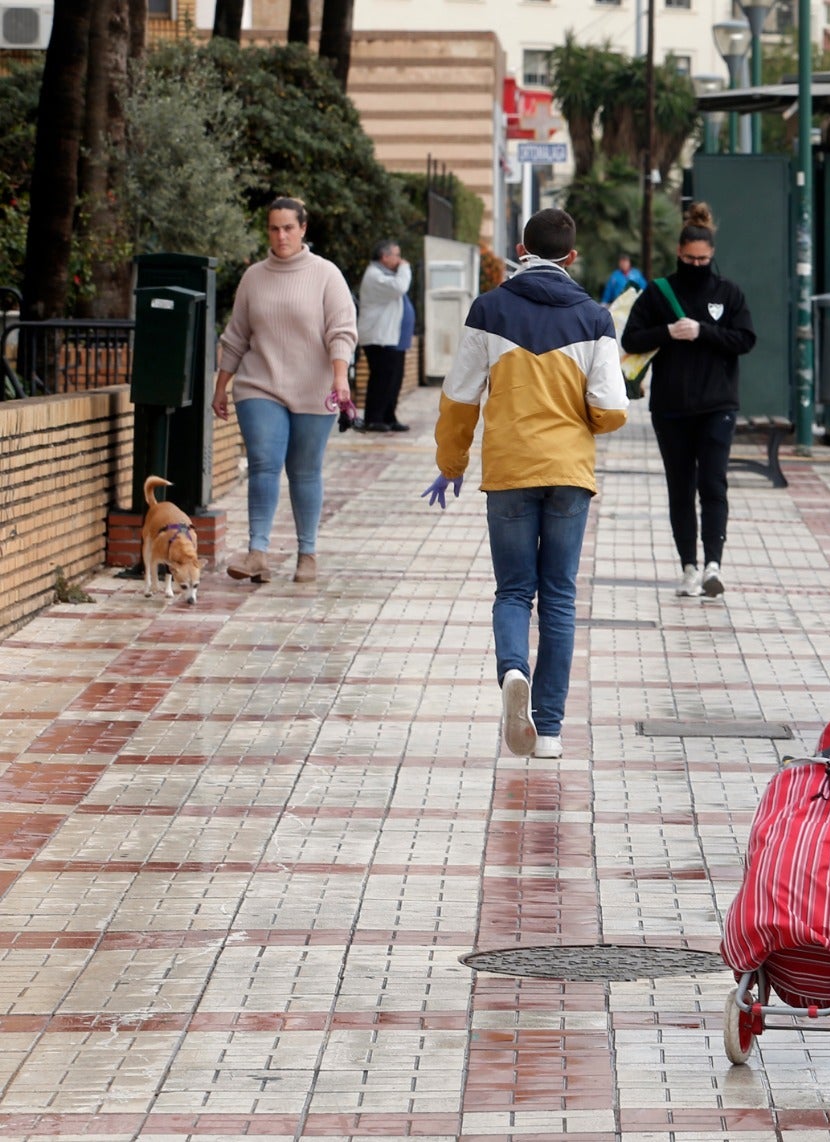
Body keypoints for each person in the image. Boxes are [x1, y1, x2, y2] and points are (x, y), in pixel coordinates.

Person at [425, 208, 628, 760]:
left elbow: (460, 396)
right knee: (559, 597)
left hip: (510, 472)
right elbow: (610, 410)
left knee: (515, 590)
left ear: (521, 249)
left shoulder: (488, 309)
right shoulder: (595, 317)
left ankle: (513, 669)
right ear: (572, 257)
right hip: (569, 474)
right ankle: (551, 729)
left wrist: (452, 462)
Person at [212, 196, 358, 586]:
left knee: (304, 471)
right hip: (261, 384)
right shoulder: (254, 277)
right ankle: (257, 551)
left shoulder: (326, 275)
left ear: (303, 229)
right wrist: (222, 385)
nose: (281, 236)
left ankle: (306, 553)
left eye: (288, 228)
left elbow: (341, 331)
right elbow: (236, 335)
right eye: (274, 228)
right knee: (263, 462)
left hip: (315, 388)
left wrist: (340, 378)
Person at [620, 203, 756, 598]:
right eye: (689, 258)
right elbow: (630, 339)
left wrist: (704, 332)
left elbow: (745, 339)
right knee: (680, 488)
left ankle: (714, 563)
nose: (696, 264)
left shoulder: (728, 292)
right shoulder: (660, 292)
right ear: (679, 254)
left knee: (713, 483)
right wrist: (668, 332)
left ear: (712, 257)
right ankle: (689, 567)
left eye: (703, 259)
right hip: (671, 406)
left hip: (718, 405)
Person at [356, 238, 414, 432]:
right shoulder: (374, 275)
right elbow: (399, 287)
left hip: (393, 338)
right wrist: (405, 268)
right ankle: (373, 418)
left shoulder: (386, 273)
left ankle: (389, 416)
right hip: (378, 337)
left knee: (394, 378)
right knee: (381, 378)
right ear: (384, 256)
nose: (400, 259)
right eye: (396, 255)